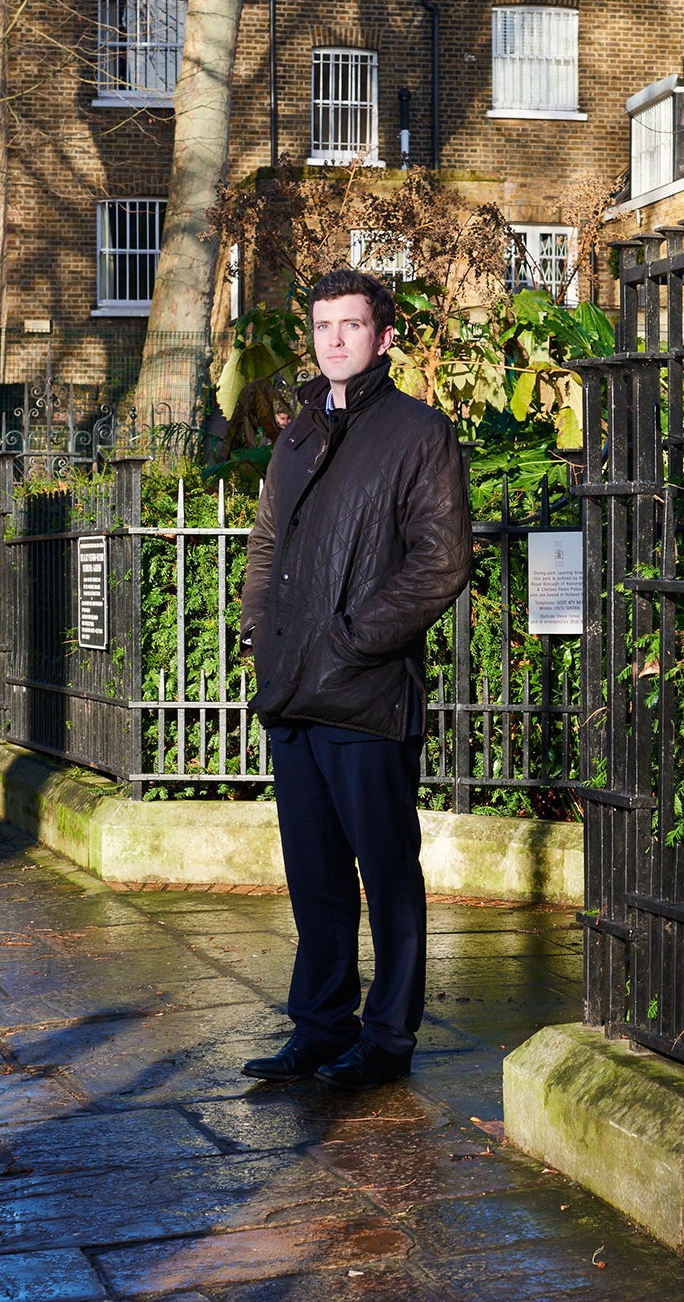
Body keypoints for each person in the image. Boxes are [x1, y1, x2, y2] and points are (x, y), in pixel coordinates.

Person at [238, 269, 470, 1088]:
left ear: (384, 337)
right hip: (293, 692)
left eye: (351, 324)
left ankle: (387, 1040)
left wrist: (345, 643)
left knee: (387, 873)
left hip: (366, 694)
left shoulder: (419, 434)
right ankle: (319, 1024)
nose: (334, 339)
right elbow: (267, 545)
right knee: (315, 877)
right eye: (323, 325)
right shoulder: (296, 436)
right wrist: (260, 632)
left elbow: (440, 565)